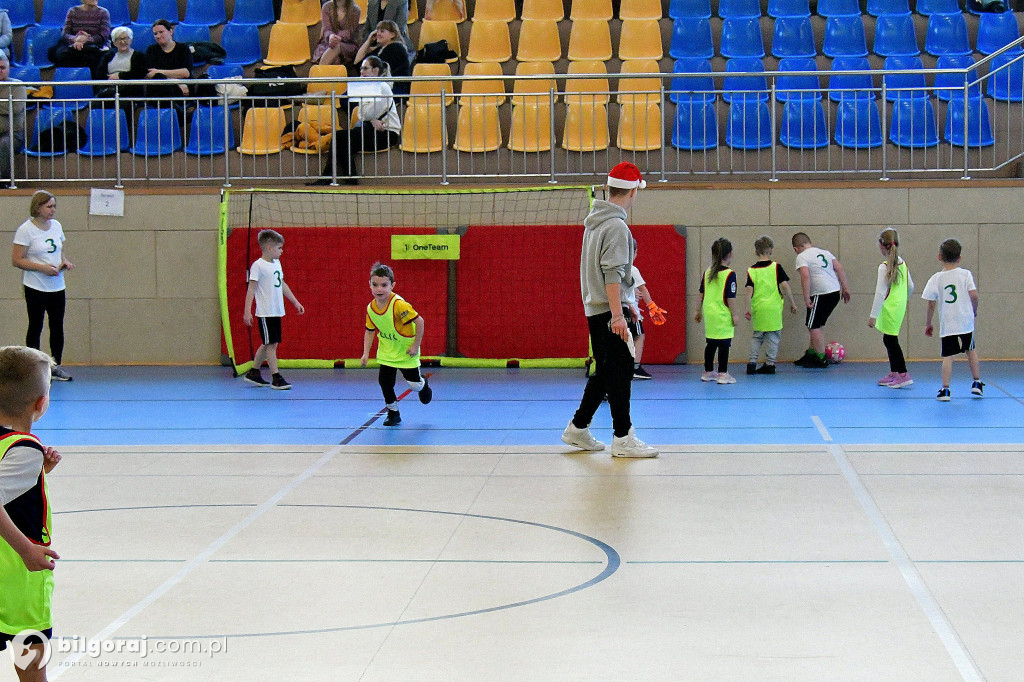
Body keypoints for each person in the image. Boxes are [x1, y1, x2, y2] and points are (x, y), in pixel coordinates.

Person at [562, 162, 658, 458]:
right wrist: (619, 315)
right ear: (631, 192)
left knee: (606, 371)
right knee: (620, 372)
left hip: (595, 310)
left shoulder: (595, 223)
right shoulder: (616, 226)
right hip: (609, 312)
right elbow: (612, 274)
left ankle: (578, 428)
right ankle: (623, 437)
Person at [0, 346, 62, 682]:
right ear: (40, 403)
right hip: (16, 582)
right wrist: (26, 549)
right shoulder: (23, 449)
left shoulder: (21, 452)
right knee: (31, 666)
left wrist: (38, 472)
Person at [360, 262, 432, 426]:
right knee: (385, 382)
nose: (379, 289)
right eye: (375, 285)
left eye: (384, 285)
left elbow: (420, 322)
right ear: (369, 284)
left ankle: (423, 384)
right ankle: (393, 412)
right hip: (387, 352)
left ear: (392, 285)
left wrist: (415, 346)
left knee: (413, 385)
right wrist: (366, 353)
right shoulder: (370, 308)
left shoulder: (399, 305)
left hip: (406, 352)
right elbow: (370, 331)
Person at [12, 192, 74, 382]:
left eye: (54, 206)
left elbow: (59, 249)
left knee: (57, 326)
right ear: (38, 208)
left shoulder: (56, 226)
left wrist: (65, 262)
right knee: (36, 325)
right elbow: (17, 260)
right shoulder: (26, 230)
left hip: (56, 286)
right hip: (35, 286)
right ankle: (34, 368)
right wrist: (42, 268)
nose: (52, 210)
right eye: (48, 207)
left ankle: (56, 366)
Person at [311, 55, 401, 185]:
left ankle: (331, 178)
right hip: (373, 130)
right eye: (361, 69)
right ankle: (347, 178)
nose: (361, 72)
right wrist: (370, 120)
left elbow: (370, 113)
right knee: (342, 140)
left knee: (341, 137)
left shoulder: (382, 87)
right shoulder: (366, 89)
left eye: (365, 68)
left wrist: (369, 118)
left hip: (387, 133)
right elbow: (361, 114)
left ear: (376, 71)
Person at [242, 230, 305, 390]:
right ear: (269, 248)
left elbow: (282, 284)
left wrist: (295, 302)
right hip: (265, 312)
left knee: (270, 343)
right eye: (279, 248)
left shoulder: (277, 263)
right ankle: (276, 377)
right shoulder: (258, 265)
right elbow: (251, 289)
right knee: (271, 344)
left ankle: (254, 372)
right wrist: (247, 311)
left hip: (277, 310)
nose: (282, 251)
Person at [922, 238, 983, 402]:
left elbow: (931, 304)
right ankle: (977, 383)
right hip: (965, 321)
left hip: (948, 322)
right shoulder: (965, 274)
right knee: (971, 350)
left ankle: (945, 390)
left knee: (949, 356)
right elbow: (974, 295)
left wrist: (928, 323)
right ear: (959, 258)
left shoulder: (936, 278)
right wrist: (974, 309)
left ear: (939, 256)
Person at [791, 232, 851, 368]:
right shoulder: (825, 252)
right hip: (834, 292)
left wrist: (806, 297)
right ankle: (811, 353)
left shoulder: (802, 256)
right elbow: (839, 268)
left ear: (796, 248)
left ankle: (821, 358)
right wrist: (845, 288)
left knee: (813, 326)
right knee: (815, 323)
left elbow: (805, 276)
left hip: (821, 293)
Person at [744, 235, 797, 375]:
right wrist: (792, 302)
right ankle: (770, 364)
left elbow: (749, 291)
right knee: (773, 337)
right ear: (771, 250)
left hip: (759, 308)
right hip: (773, 308)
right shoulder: (776, 267)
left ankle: (752, 362)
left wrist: (747, 308)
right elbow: (785, 286)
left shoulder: (752, 270)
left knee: (757, 336)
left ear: (756, 251)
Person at [870, 228, 915, 389]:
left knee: (890, 340)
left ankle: (903, 373)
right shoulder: (902, 263)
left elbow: (880, 292)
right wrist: (903, 300)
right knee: (889, 339)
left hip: (889, 307)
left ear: (882, 246)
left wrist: (873, 315)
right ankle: (895, 372)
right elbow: (910, 286)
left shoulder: (884, 266)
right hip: (898, 307)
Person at [694, 238, 738, 384]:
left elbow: (701, 293)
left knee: (711, 343)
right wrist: (735, 314)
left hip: (709, 313)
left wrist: (697, 311)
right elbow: (730, 297)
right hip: (722, 313)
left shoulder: (707, 272)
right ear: (730, 254)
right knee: (724, 344)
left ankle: (708, 371)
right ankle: (722, 373)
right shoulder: (729, 274)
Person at [625, 251, 667, 380]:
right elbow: (643, 288)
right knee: (639, 336)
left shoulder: (618, 269)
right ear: (634, 252)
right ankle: (635, 367)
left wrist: (631, 292)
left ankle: (624, 366)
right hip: (631, 310)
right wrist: (652, 306)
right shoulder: (632, 269)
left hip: (619, 309)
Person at [354, 20, 410, 97]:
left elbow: (380, 72)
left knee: (349, 97)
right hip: (377, 86)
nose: (378, 33)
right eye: (377, 31)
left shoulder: (396, 48)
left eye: (382, 31)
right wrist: (368, 41)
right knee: (346, 96)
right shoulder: (379, 49)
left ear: (393, 34)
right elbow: (357, 63)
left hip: (394, 88)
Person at [50, 0, 111, 69]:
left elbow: (104, 35)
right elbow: (65, 34)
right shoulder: (73, 11)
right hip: (75, 45)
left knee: (98, 57)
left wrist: (86, 40)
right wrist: (75, 39)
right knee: (61, 54)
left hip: (95, 45)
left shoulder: (103, 12)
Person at [144, 20, 193, 106]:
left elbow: (185, 73)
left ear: (170, 31)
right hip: (160, 90)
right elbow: (151, 74)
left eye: (161, 32)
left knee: (159, 76)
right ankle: (178, 112)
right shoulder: (151, 50)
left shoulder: (183, 48)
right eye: (155, 34)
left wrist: (158, 71)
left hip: (182, 90)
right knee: (158, 78)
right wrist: (176, 82)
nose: (158, 36)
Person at [93, 25, 147, 102]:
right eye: (118, 39)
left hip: (130, 90)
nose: (122, 42)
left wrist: (120, 76)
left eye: (125, 38)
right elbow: (99, 74)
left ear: (130, 40)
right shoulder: (108, 56)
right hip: (110, 88)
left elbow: (139, 73)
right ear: (114, 43)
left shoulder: (138, 55)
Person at [0, 53, 26, 188]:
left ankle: (2, 182)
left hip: (13, 134)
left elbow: (15, 108)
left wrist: (6, 105)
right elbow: (7, 106)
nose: (0, 71)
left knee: (4, 144)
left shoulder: (18, 86)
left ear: (8, 68)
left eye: (2, 67)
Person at [312, 0, 361, 68]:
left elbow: (350, 31)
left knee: (336, 47)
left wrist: (338, 37)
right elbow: (326, 29)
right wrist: (331, 36)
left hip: (348, 44)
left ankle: (319, 74)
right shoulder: (326, 7)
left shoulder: (355, 10)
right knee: (335, 59)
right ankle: (321, 74)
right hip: (328, 42)